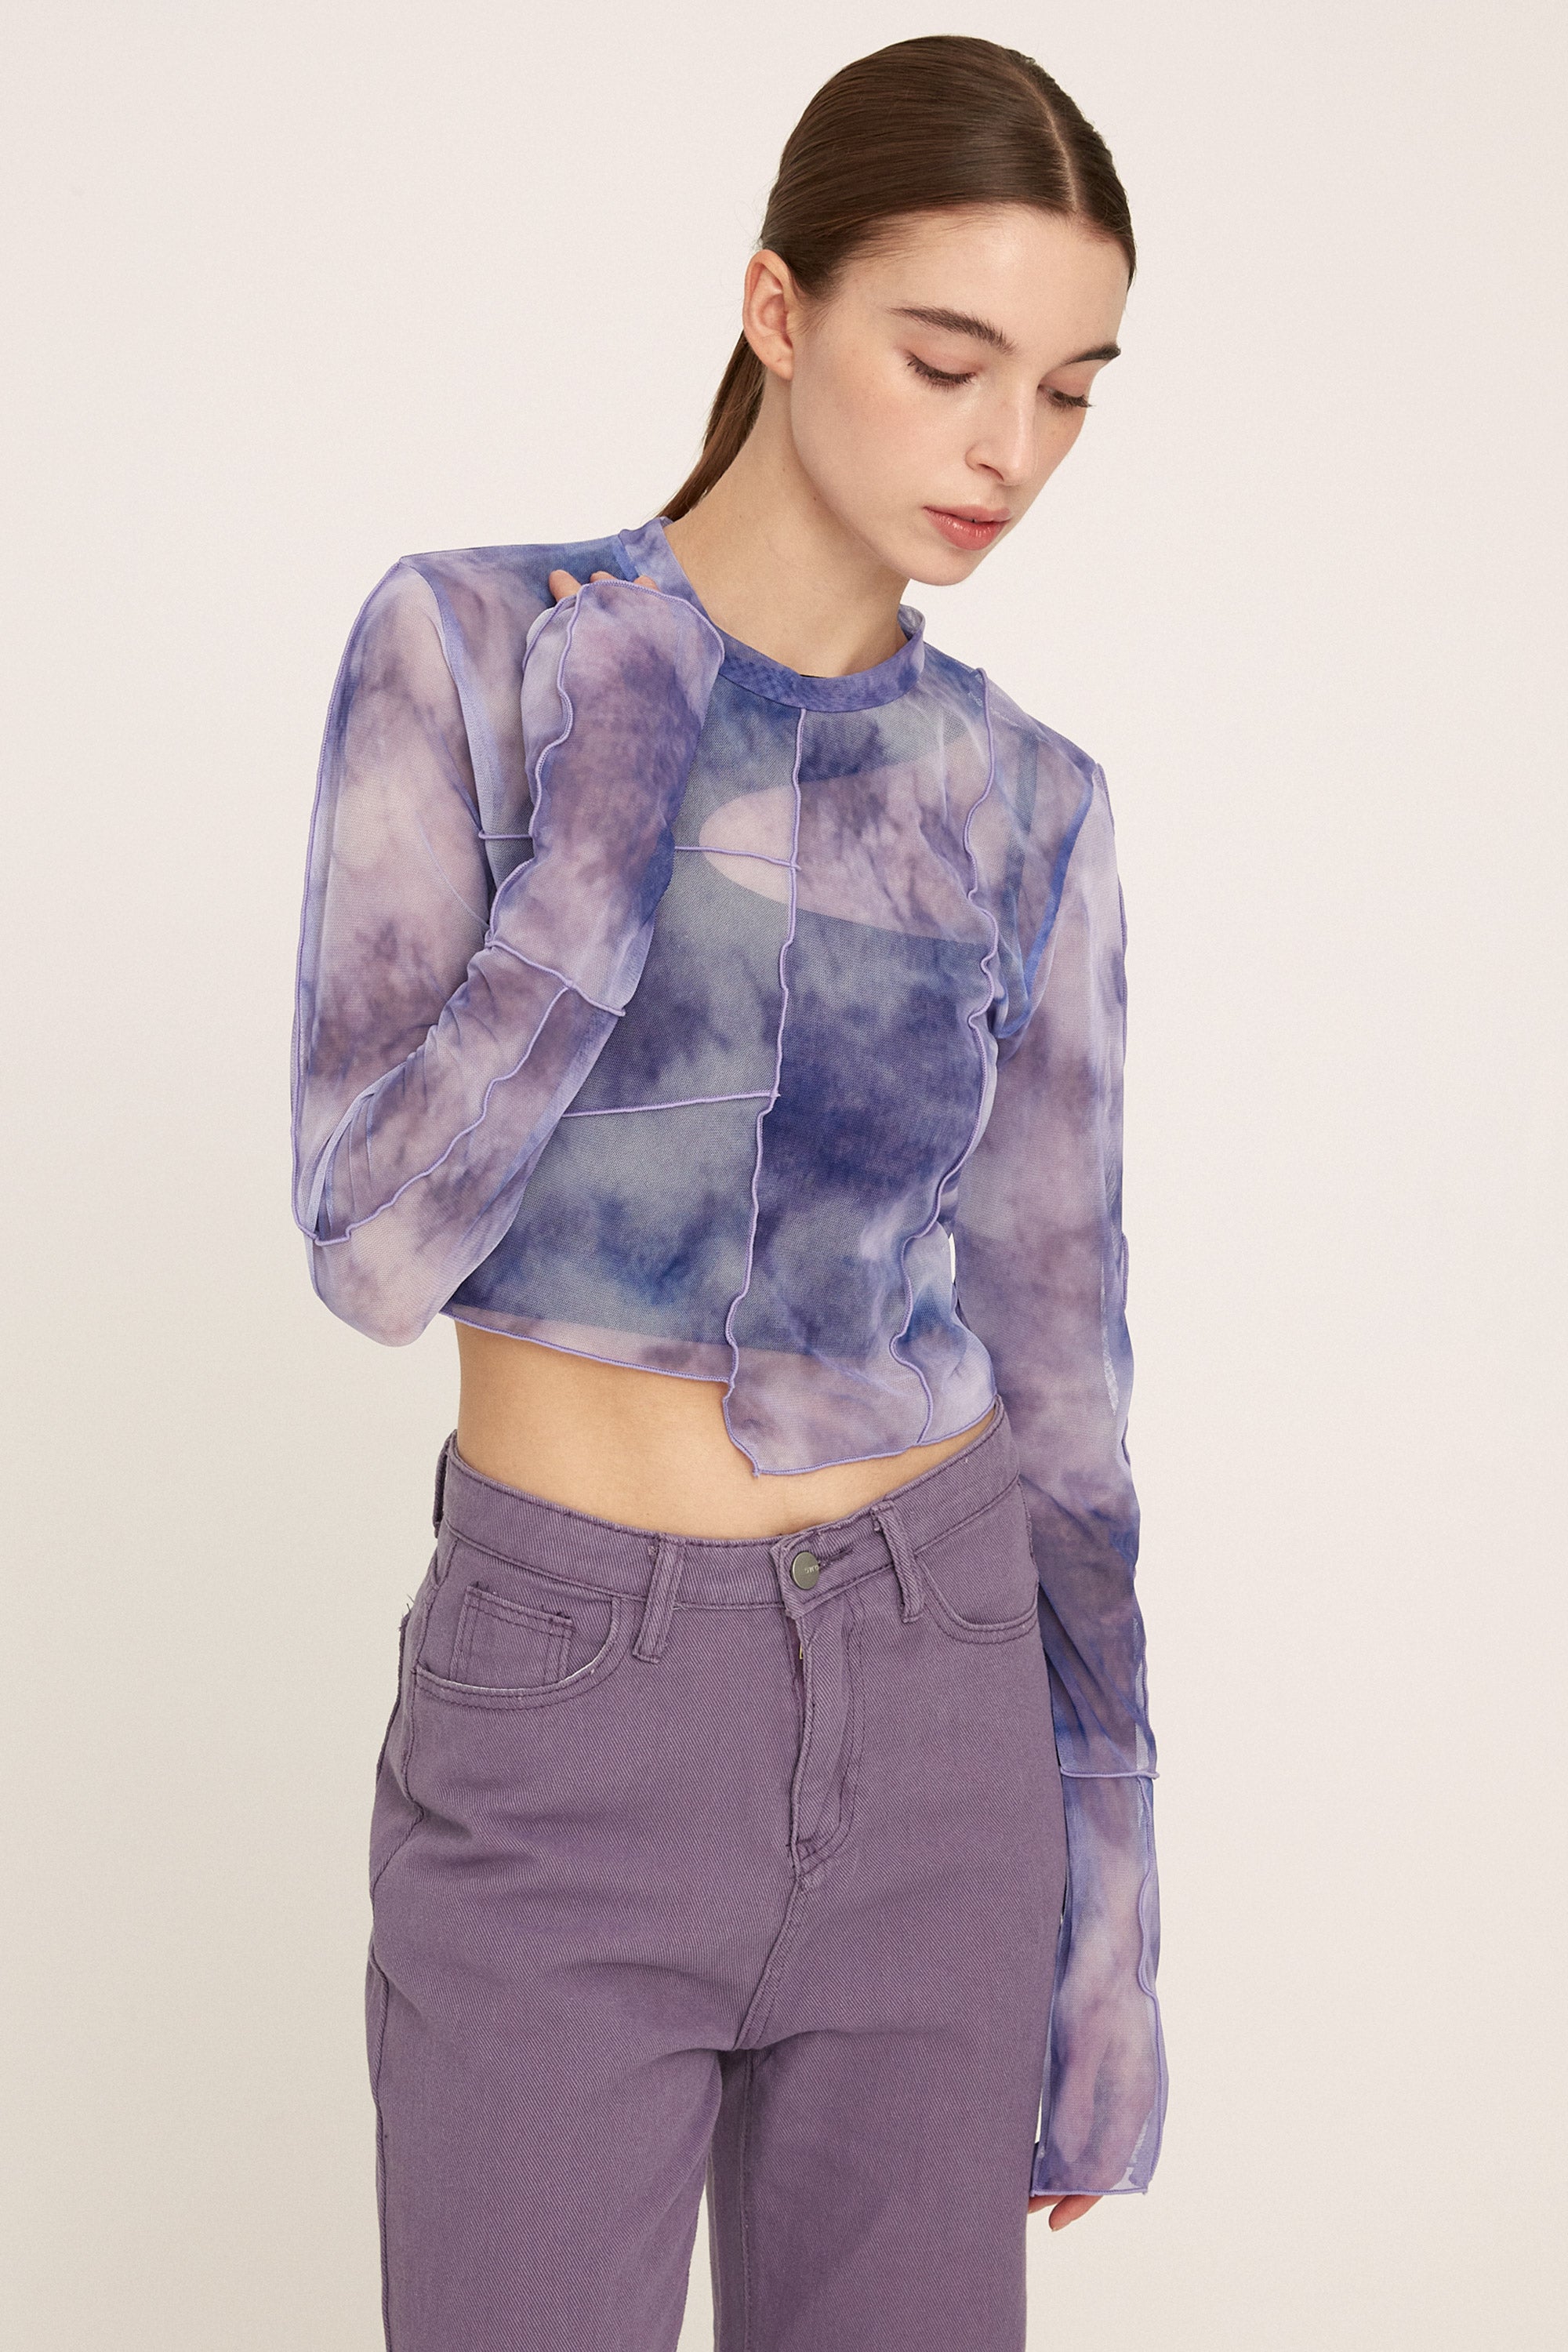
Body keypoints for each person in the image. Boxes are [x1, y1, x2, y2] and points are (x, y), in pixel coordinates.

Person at [289, 32, 1166, 2352]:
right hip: (568, 1711)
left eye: (1069, 391)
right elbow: (369, 1246)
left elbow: (1065, 1375)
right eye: (946, 361)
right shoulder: (477, 651)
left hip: (944, 1696)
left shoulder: (1028, 802)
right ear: (778, 309)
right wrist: (602, 834)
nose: (1006, 450)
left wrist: (1110, 1917)